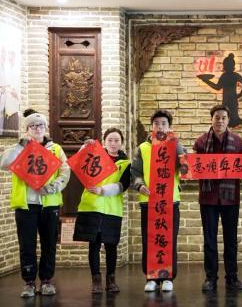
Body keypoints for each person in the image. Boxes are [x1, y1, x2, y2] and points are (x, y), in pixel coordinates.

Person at [0, 109, 70, 297]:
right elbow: (3, 163)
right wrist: (20, 146)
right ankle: (29, 282)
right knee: (27, 244)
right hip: (26, 204)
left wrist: (54, 187)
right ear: (27, 129)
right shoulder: (19, 149)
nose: (37, 128)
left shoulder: (56, 149)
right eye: (32, 125)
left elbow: (65, 172)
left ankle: (46, 280)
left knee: (49, 244)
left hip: (49, 204)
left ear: (45, 127)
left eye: (40, 125)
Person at [195, 104, 242, 291]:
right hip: (208, 197)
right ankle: (210, 277)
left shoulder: (238, 142)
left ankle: (232, 277)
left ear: (228, 120)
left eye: (224, 118)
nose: (220, 121)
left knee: (231, 239)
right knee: (209, 240)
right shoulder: (201, 142)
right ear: (211, 119)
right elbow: (194, 167)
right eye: (217, 117)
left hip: (230, 197)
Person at [131, 109, 186, 292]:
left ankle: (168, 277)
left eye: (163, 124)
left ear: (169, 127)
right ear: (152, 126)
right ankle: (151, 277)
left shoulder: (176, 145)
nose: (160, 127)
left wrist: (175, 144)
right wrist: (139, 185)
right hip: (149, 201)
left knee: (170, 239)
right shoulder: (143, 148)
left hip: (170, 201)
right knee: (150, 240)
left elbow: (185, 167)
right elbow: (135, 172)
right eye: (156, 124)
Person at [73, 128, 130, 294]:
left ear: (122, 143)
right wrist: (85, 147)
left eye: (117, 140)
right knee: (94, 245)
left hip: (112, 209)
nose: (113, 143)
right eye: (110, 140)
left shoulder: (126, 164)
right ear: (104, 141)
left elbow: (123, 185)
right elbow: (78, 163)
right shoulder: (95, 156)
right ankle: (96, 280)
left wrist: (102, 190)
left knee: (111, 245)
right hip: (92, 206)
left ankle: (111, 280)